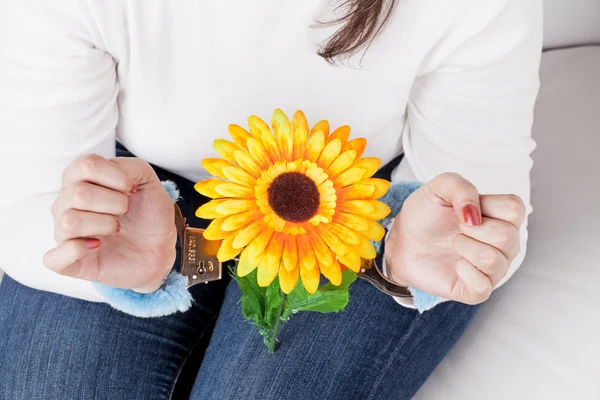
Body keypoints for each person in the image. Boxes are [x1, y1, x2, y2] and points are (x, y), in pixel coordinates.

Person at [0, 1, 542, 399]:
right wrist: (125, 248)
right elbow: (28, 199)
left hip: (375, 211)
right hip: (139, 195)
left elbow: (485, 213)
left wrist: (415, 256)